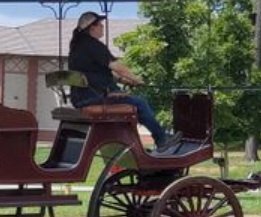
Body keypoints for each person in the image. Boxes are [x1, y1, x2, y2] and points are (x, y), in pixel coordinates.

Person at [68, 11, 181, 151]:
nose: (102, 27)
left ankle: (137, 144)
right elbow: (118, 67)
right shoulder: (93, 46)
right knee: (140, 103)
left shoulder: (77, 47)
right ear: (92, 27)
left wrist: (124, 81)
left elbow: (99, 73)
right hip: (95, 97)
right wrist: (136, 79)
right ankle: (162, 139)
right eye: (100, 25)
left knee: (132, 100)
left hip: (81, 98)